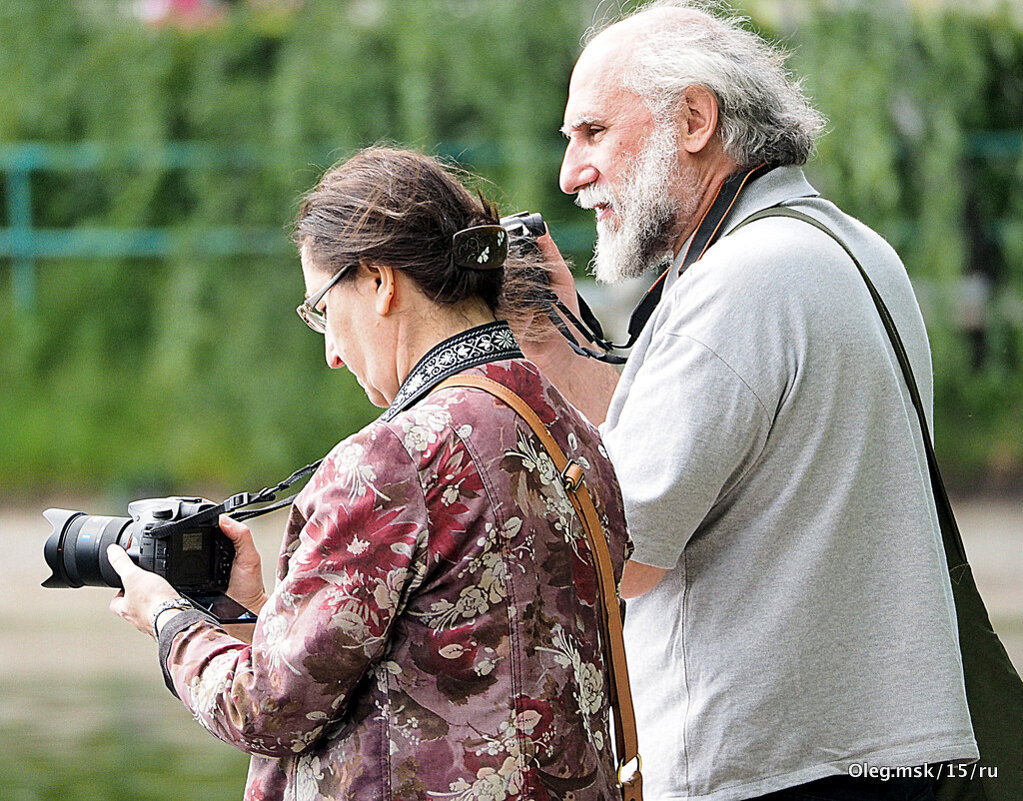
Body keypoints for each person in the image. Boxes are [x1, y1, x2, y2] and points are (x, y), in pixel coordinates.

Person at [518, 2, 980, 800]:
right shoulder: (846, 246)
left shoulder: (739, 283)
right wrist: (556, 344)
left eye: (592, 131)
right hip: (876, 749)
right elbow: (699, 458)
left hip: (768, 767)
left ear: (693, 118)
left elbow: (621, 550)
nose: (569, 173)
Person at [106, 147, 632, 801]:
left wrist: (168, 619)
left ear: (380, 281)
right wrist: (261, 617)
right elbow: (452, 659)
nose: (329, 351)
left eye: (322, 309)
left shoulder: (393, 460)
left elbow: (265, 709)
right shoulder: (572, 432)